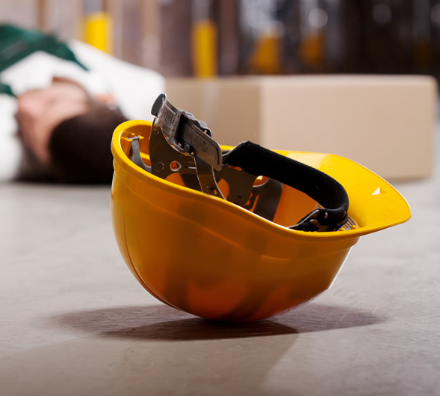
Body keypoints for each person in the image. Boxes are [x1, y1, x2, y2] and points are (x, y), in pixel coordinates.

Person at [0, 24, 163, 183]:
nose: (25, 106)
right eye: (51, 102)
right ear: (103, 98)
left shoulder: (9, 150)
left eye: (28, 127)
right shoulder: (143, 90)